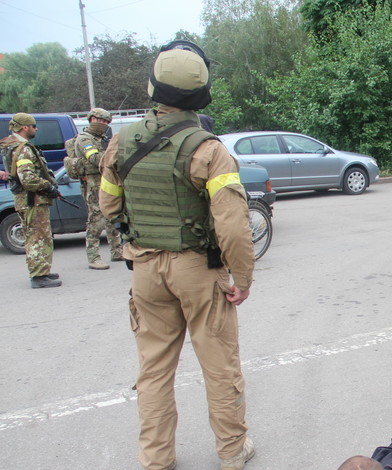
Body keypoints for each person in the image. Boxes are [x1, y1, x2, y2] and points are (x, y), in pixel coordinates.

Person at [98, 41, 256, 470]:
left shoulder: (121, 141)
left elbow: (109, 205)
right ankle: (231, 452)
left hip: (146, 270)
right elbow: (234, 227)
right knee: (220, 366)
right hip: (198, 271)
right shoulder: (209, 149)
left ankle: (156, 459)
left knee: (153, 371)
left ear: (153, 86)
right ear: (202, 93)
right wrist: (242, 278)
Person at [0, 113, 61, 288]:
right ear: (24, 127)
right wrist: (48, 187)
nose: (36, 129)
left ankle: (43, 271)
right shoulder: (23, 149)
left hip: (28, 200)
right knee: (37, 237)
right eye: (33, 126)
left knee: (40, 236)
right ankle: (38, 276)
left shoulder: (11, 145)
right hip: (32, 200)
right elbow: (28, 179)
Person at [69, 108, 123, 270]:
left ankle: (117, 251)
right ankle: (93, 256)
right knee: (95, 220)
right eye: (101, 121)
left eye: (107, 122)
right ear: (92, 119)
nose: (104, 124)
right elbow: (94, 158)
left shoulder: (102, 138)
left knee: (112, 217)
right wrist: (114, 155)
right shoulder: (85, 139)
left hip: (106, 182)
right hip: (93, 185)